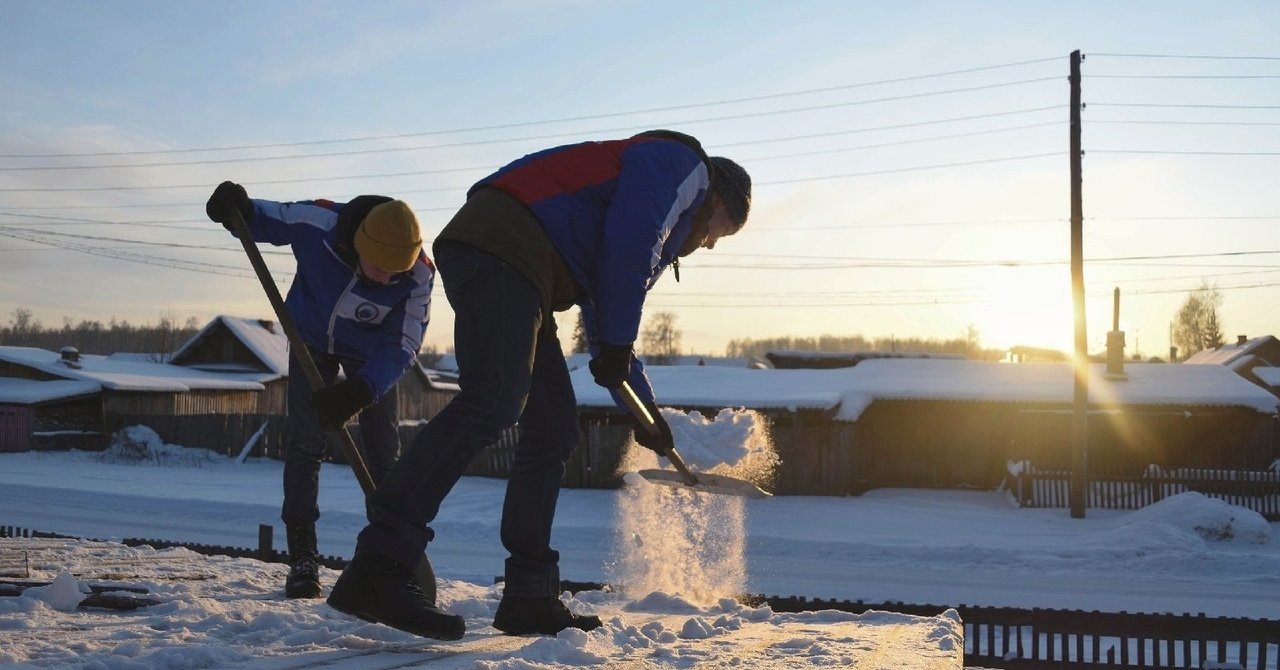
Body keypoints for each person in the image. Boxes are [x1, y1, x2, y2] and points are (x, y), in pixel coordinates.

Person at [325, 130, 751, 640]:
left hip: (531, 269)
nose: (707, 244)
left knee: (553, 427)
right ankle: (381, 563)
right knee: (495, 398)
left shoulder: (660, 210)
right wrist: (616, 345)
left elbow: (606, 313)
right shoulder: (684, 164)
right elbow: (630, 241)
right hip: (502, 244)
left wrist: (647, 416)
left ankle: (530, 594)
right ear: (722, 201)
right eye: (719, 235)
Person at [205, 183, 434, 599]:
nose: (386, 278)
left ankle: (388, 557)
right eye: (379, 266)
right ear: (361, 243)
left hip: (371, 359)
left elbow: (403, 345)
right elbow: (267, 217)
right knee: (306, 444)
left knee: (383, 451)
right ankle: (303, 557)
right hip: (310, 340)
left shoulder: (417, 274)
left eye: (394, 271)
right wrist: (240, 209)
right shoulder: (320, 223)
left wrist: (362, 390)